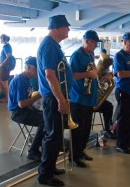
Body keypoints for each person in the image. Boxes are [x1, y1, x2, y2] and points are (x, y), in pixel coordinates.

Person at [37, 15, 73, 186]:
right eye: (66, 27)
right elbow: (50, 75)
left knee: (56, 135)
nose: (68, 30)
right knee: (52, 136)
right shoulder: (50, 46)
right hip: (53, 98)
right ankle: (45, 175)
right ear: (58, 28)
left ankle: (49, 167)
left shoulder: (53, 45)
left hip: (55, 97)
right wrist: (61, 100)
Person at [69, 30, 101, 167]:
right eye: (94, 43)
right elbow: (73, 75)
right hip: (78, 98)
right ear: (87, 41)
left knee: (86, 128)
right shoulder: (77, 55)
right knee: (78, 130)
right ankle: (74, 156)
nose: (95, 46)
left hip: (89, 98)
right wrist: (88, 73)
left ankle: (81, 151)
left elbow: (93, 73)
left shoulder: (90, 55)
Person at [8, 57, 44, 161]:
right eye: (36, 69)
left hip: (26, 110)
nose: (38, 72)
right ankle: (33, 151)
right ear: (28, 68)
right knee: (45, 121)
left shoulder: (27, 79)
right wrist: (37, 96)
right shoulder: (20, 80)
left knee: (48, 116)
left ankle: (44, 143)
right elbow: (21, 104)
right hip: (18, 113)